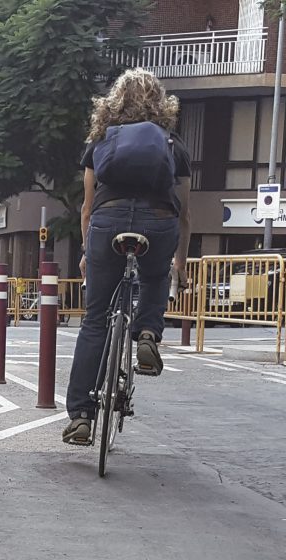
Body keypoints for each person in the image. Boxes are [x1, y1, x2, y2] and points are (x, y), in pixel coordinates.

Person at [63, 68, 192, 445]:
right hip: (158, 221)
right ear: (161, 104)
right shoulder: (174, 145)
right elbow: (184, 214)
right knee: (154, 276)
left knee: (95, 320)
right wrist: (179, 264)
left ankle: (82, 417)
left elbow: (87, 208)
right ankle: (148, 332)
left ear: (113, 103)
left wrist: (89, 251)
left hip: (108, 221)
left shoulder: (100, 141)